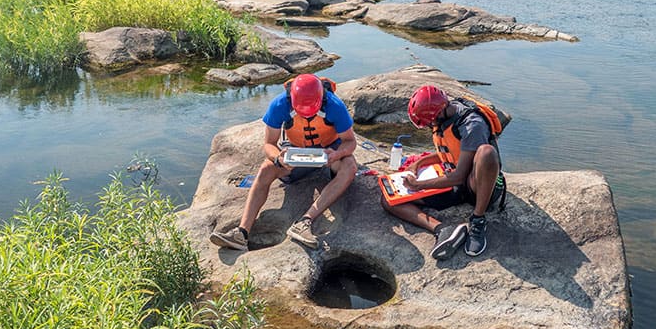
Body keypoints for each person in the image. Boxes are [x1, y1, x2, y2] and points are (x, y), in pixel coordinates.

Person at [210, 74, 358, 251]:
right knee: (266, 169)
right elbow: (269, 144)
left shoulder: (334, 105)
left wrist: (337, 154)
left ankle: (305, 222)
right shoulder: (280, 104)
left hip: (329, 153)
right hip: (296, 153)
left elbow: (350, 142)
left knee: (350, 166)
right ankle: (241, 233)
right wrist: (278, 158)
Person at [382, 85, 506, 259]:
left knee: (486, 152)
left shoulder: (472, 124)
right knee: (390, 200)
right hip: (456, 184)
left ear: (438, 114)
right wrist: (418, 164)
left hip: (477, 185)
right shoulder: (446, 115)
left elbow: (459, 176)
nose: (430, 127)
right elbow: (450, 152)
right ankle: (443, 230)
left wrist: (418, 185)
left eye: (430, 123)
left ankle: (478, 220)